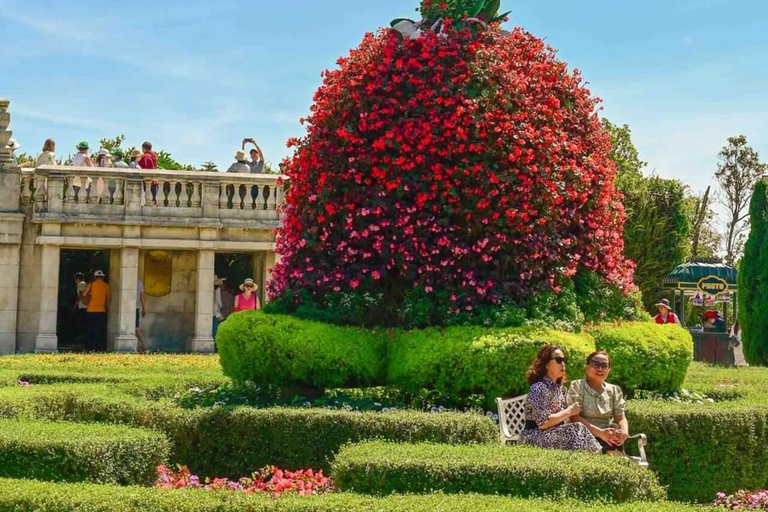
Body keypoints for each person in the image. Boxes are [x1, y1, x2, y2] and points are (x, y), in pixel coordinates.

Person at [518, 345, 601, 453]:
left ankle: (592, 459)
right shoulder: (538, 388)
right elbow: (543, 423)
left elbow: (563, 420)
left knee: (577, 428)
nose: (563, 364)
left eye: (564, 360)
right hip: (533, 436)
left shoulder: (561, 389)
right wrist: (569, 411)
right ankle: (589, 461)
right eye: (558, 360)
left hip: (554, 433)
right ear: (547, 364)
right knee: (574, 430)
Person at [567, 351, 630, 455]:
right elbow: (574, 417)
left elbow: (621, 418)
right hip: (582, 435)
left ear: (609, 370)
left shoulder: (615, 390)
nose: (600, 369)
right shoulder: (577, 386)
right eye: (596, 364)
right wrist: (600, 433)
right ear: (587, 367)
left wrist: (624, 432)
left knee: (614, 438)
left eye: (604, 365)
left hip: (608, 436)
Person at [84, 270, 110, 351]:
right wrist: (106, 307)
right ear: (103, 277)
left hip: (91, 310)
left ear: (95, 277)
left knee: (90, 330)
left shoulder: (91, 284)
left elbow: (84, 294)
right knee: (99, 331)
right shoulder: (106, 286)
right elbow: (109, 299)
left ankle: (90, 347)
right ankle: (99, 348)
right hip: (101, 311)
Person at [73, 273, 89, 345]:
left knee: (81, 323)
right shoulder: (85, 284)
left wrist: (76, 304)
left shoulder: (81, 284)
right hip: (86, 306)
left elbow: (80, 294)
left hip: (83, 306)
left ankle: (81, 339)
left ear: (77, 279)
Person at [136, 278, 147, 353]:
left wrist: (144, 308)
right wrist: (144, 308)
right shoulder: (139, 282)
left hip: (134, 307)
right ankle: (143, 346)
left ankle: (144, 346)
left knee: (136, 328)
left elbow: (142, 296)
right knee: (136, 328)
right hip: (135, 307)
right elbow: (142, 297)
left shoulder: (139, 283)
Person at [213, 276, 224, 340]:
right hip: (215, 311)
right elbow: (219, 301)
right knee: (215, 329)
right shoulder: (217, 289)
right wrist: (220, 306)